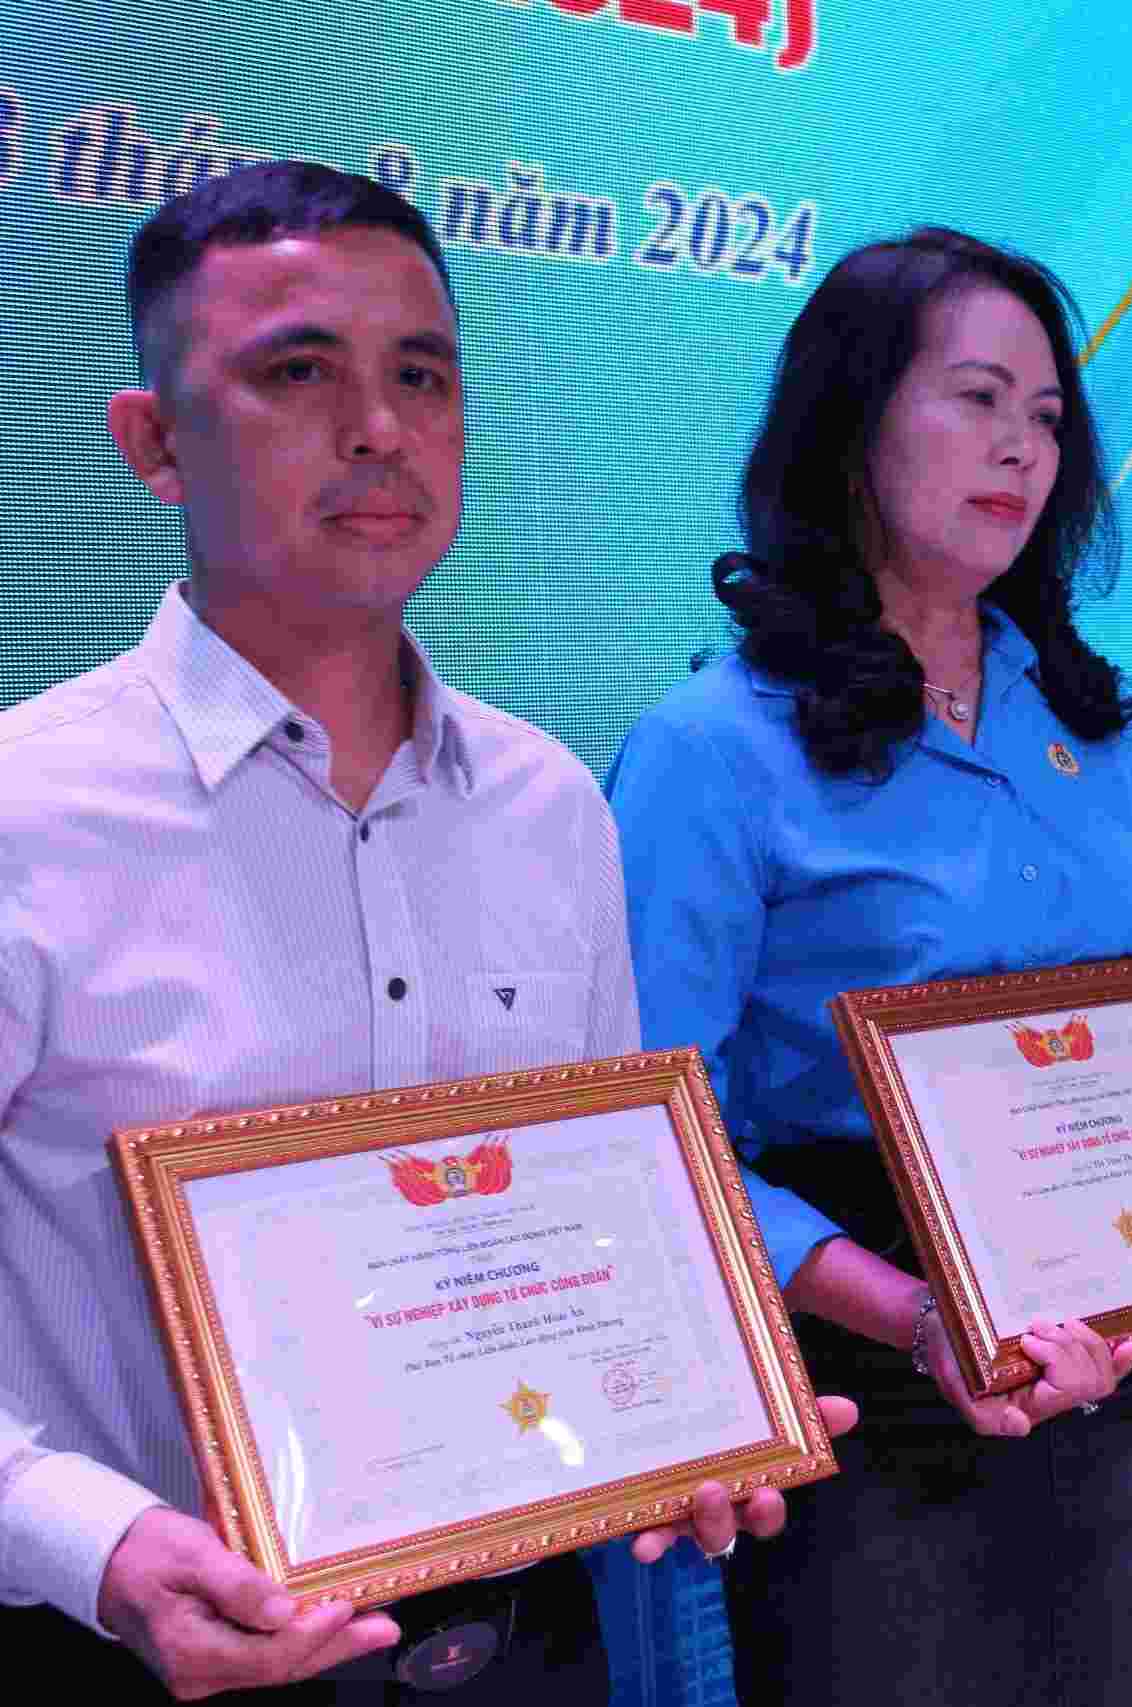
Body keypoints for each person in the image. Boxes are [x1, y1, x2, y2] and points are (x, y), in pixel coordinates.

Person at [0, 162, 841, 1704]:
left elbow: (607, 1214)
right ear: (150, 443)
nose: (379, 427)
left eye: (423, 376)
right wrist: (89, 1539)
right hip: (134, 1646)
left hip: (526, 1640)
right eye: (296, 371)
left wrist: (690, 1409)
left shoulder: (546, 803)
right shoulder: (21, 812)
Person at [606, 227, 1132, 1707]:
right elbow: (659, 1140)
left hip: (1117, 1376)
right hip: (874, 1384)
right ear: (851, 421)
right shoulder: (713, 749)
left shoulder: (1091, 728)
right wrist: (913, 1310)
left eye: (1048, 417)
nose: (1021, 449)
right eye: (977, 399)